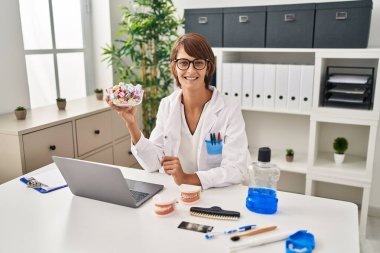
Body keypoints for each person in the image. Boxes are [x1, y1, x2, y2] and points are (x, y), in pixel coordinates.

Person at [107, 33, 248, 190]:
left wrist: (187, 178)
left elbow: (236, 170)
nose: (191, 70)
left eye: (198, 63)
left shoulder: (229, 109)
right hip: (176, 193)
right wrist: (131, 123)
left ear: (207, 67)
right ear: (174, 66)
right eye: (183, 63)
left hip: (216, 194)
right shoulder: (167, 105)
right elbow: (153, 163)